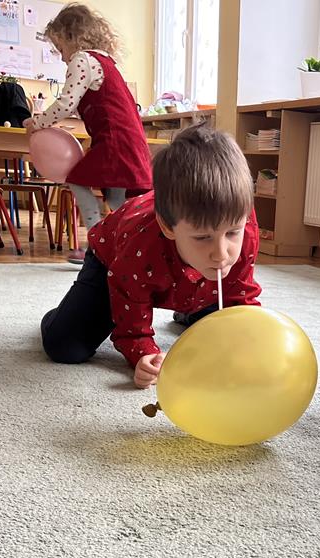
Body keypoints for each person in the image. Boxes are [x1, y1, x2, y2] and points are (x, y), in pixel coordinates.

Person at [40, 124, 261, 388]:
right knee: (66, 345)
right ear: (168, 227)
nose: (221, 253)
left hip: (184, 278)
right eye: (203, 237)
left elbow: (240, 296)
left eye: (233, 233)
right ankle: (64, 313)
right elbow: (132, 328)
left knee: (227, 330)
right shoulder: (140, 248)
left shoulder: (243, 226)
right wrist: (143, 354)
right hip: (113, 260)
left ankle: (190, 311)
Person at [25, 3, 152, 263]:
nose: (62, 57)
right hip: (128, 138)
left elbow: (66, 103)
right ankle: (124, 247)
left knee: (77, 177)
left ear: (72, 37)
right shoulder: (105, 61)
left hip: (115, 140)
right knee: (118, 199)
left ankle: (97, 243)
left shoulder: (82, 60)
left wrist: (38, 123)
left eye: (60, 48)